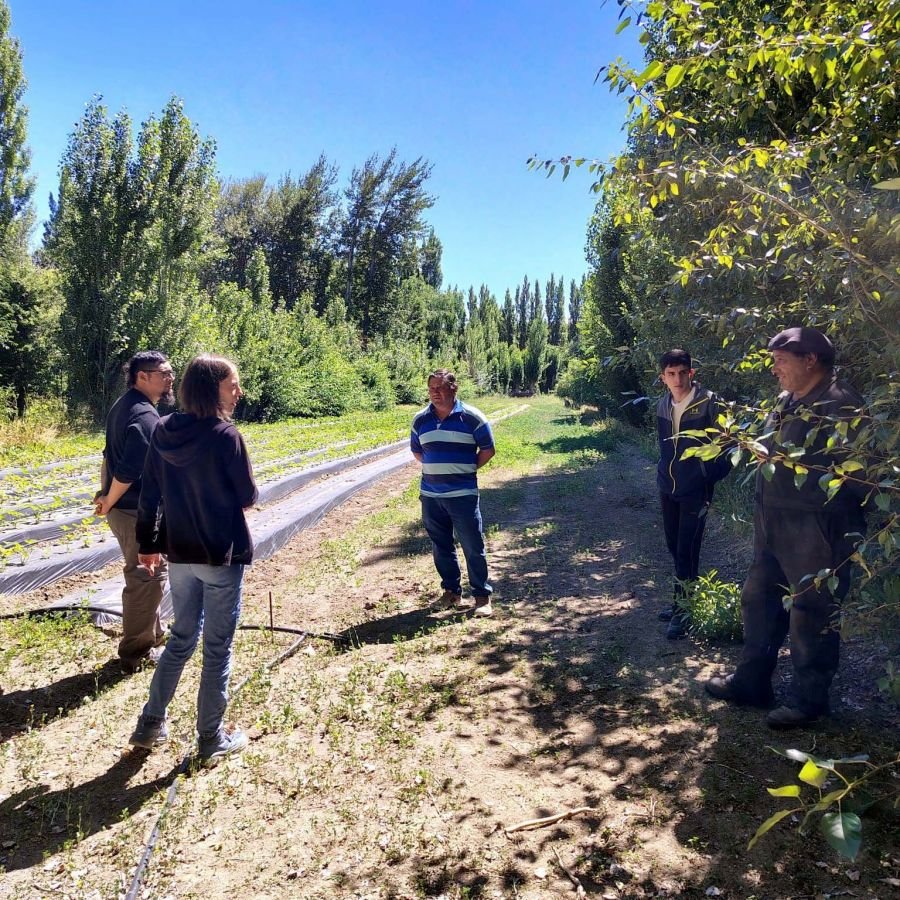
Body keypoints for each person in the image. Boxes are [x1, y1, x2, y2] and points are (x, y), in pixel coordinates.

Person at [705, 327, 867, 728]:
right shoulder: (785, 400)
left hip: (819, 531)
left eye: (781, 359)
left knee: (812, 612)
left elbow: (860, 478)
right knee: (758, 601)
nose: (774, 368)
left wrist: (833, 528)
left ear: (810, 360)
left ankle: (809, 703)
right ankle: (752, 683)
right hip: (773, 525)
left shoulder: (840, 404)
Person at [129, 354, 258, 764]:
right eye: (232, 384)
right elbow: (247, 496)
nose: (238, 392)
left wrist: (148, 545)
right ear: (212, 388)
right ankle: (210, 738)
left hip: (179, 554)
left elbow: (150, 493)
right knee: (217, 648)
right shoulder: (225, 436)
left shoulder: (164, 430)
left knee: (182, 639)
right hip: (219, 556)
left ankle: (151, 723)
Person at [95, 351, 174, 672]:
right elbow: (128, 470)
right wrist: (109, 500)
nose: (171, 378)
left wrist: (104, 494)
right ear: (143, 376)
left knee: (148, 572)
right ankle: (135, 652)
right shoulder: (144, 417)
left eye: (171, 371)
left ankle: (152, 633)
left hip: (124, 507)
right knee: (147, 575)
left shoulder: (126, 403)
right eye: (164, 373)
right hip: (133, 511)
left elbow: (107, 455)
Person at [656, 349, 732, 639]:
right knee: (674, 546)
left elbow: (728, 445)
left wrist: (705, 475)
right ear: (663, 377)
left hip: (695, 491)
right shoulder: (662, 405)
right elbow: (663, 447)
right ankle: (680, 601)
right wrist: (663, 472)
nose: (677, 379)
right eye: (670, 374)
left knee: (688, 549)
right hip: (668, 487)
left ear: (692, 373)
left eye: (682, 373)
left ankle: (684, 612)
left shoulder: (709, 404)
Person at [411, 369, 496, 617]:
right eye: (431, 389)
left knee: (472, 545)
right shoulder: (420, 420)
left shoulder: (472, 418)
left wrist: (465, 470)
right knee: (441, 546)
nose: (434, 393)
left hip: (463, 496)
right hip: (431, 496)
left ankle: (481, 597)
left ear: (453, 388)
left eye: (439, 387)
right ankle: (451, 593)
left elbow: (488, 450)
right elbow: (418, 452)